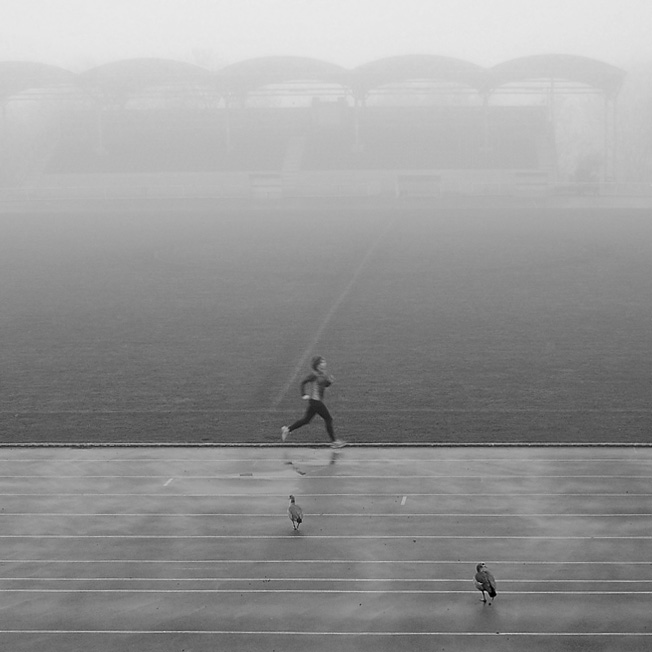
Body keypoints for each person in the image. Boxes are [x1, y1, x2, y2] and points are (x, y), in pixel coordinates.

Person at [281, 356, 345, 448]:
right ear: (318, 365)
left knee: (306, 420)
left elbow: (324, 385)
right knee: (328, 419)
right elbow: (303, 382)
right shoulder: (314, 375)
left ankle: (287, 429)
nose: (324, 363)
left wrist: (330, 382)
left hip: (315, 402)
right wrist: (303, 394)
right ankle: (334, 442)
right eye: (322, 362)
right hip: (316, 402)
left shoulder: (323, 373)